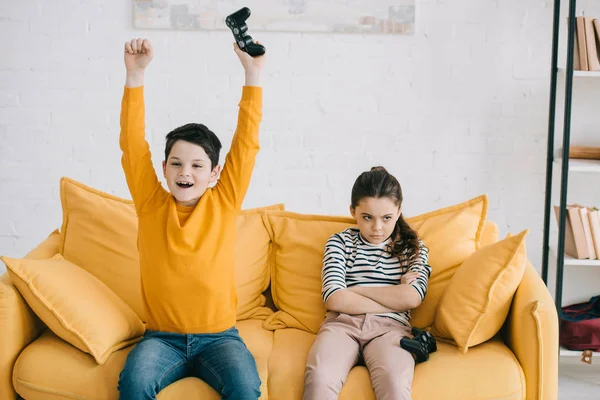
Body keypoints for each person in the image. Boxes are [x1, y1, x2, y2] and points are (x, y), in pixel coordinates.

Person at [117, 37, 265, 400]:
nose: (186, 172)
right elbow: (133, 145)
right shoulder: (151, 204)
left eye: (197, 165)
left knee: (246, 388)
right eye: (177, 163)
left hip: (220, 337)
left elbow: (246, 144)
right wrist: (134, 75)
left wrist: (253, 74)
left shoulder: (224, 199)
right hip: (161, 339)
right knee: (133, 385)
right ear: (164, 169)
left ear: (214, 173)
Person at [303, 166, 432, 400]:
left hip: (391, 331)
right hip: (342, 326)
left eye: (387, 218)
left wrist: (356, 290)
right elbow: (334, 298)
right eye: (367, 217)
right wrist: (395, 297)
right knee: (320, 378)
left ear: (399, 211)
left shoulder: (415, 248)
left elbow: (412, 298)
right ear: (353, 211)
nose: (377, 228)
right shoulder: (339, 242)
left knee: (395, 384)